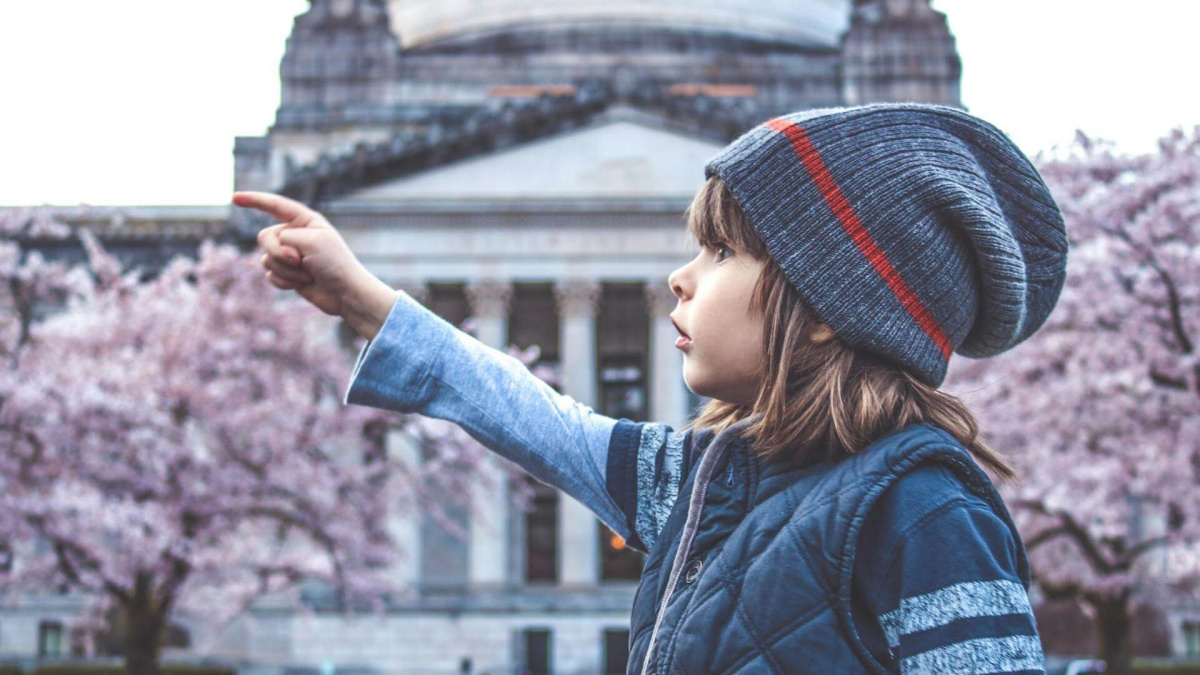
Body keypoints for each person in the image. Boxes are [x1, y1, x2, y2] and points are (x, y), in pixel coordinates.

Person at [235, 102, 1068, 674]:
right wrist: (364, 300)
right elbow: (535, 417)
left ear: (826, 309)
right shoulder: (707, 478)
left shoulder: (925, 510)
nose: (680, 276)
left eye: (722, 251)